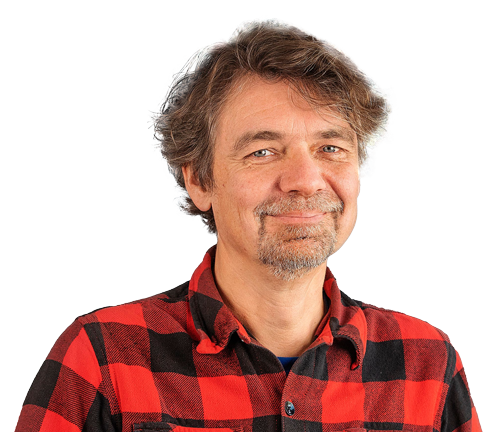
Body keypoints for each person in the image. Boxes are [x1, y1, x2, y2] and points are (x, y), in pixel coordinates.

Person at [15, 17, 481, 432]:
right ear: (198, 180)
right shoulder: (102, 360)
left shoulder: (427, 364)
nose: (305, 180)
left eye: (331, 148)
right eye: (263, 151)